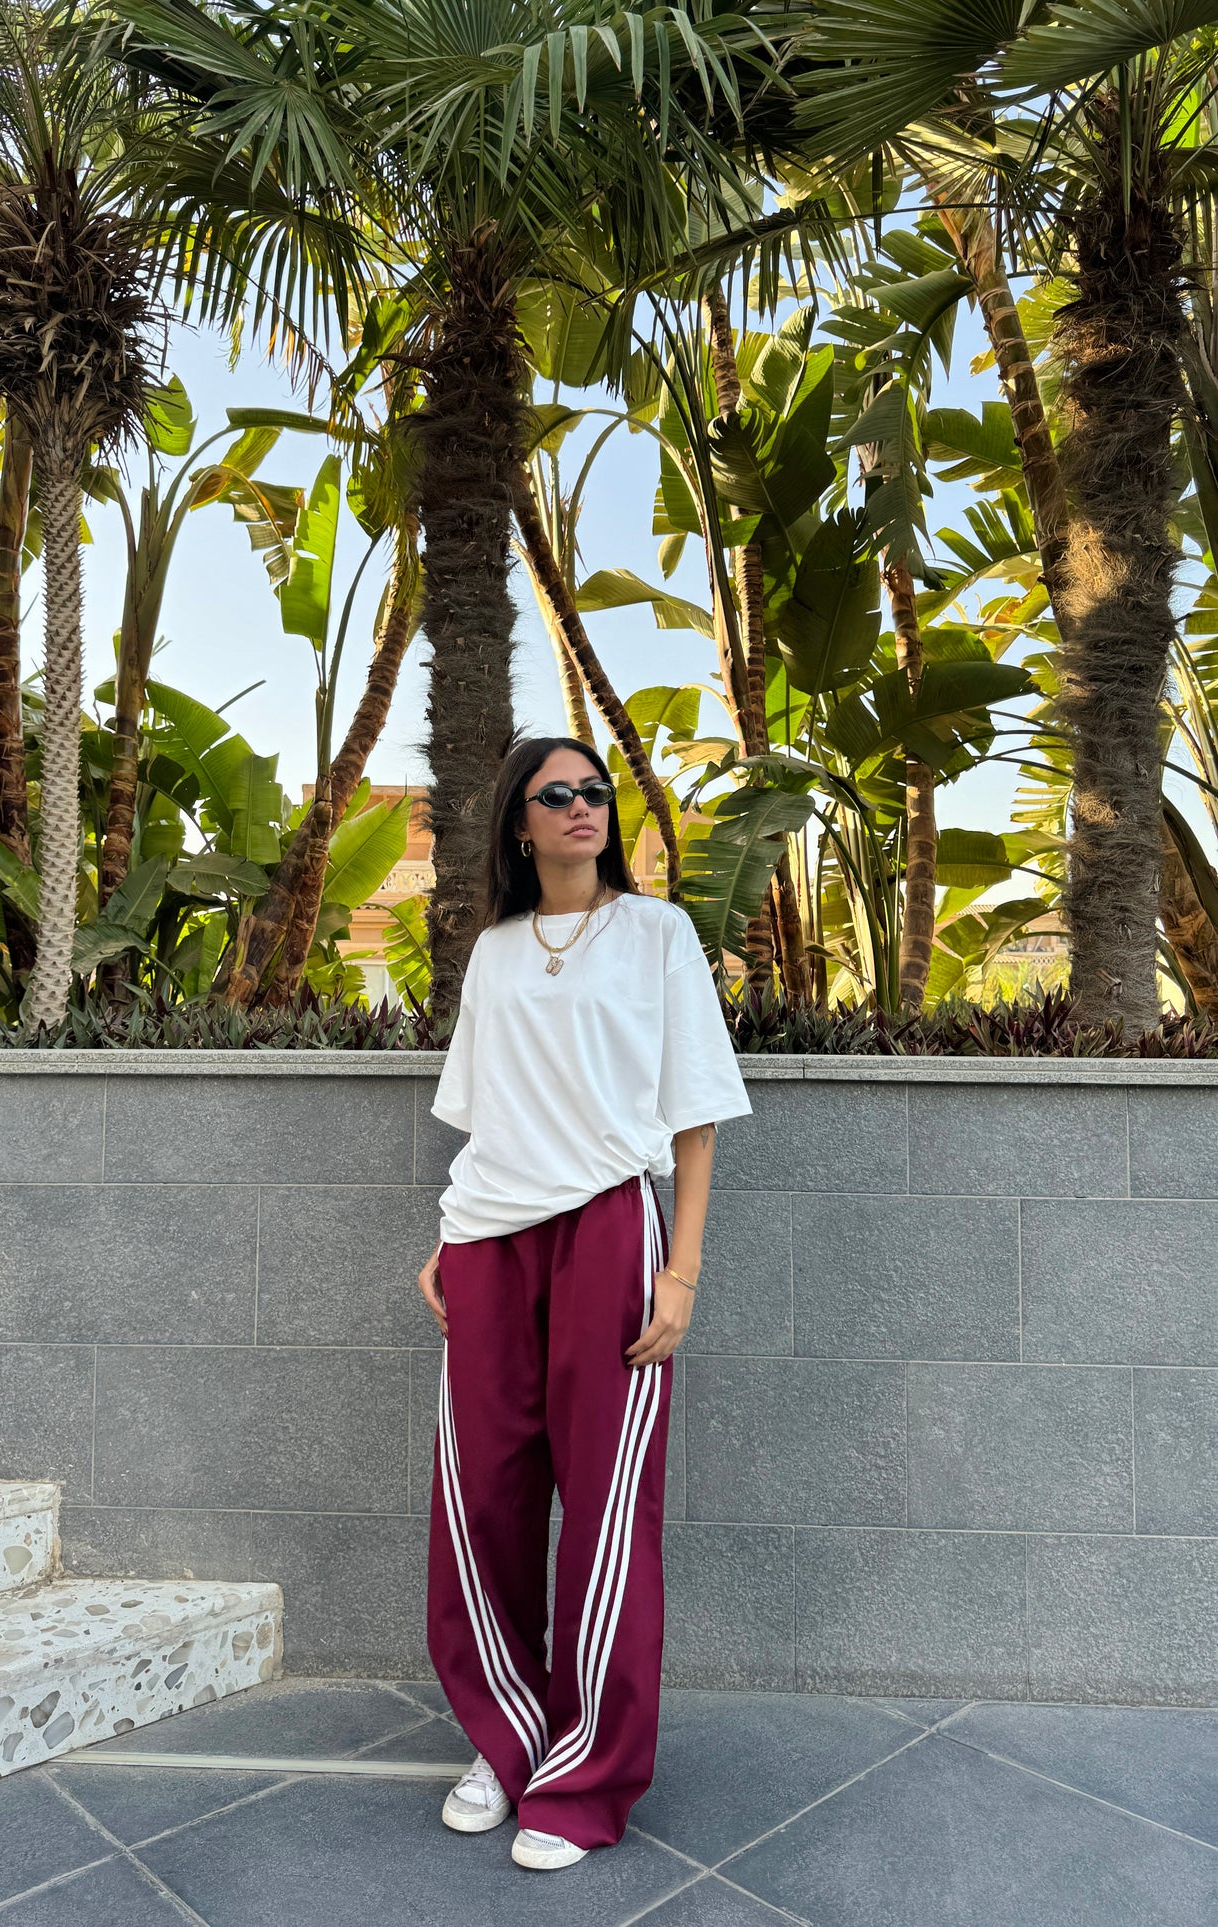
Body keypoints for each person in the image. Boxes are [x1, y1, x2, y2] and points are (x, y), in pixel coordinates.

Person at [417, 734, 751, 1872]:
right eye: (554, 794)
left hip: (612, 1230)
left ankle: (584, 1775)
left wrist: (681, 1270)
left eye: (593, 791)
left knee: (607, 1507)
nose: (579, 807)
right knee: (486, 1498)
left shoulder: (657, 935)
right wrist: (445, 1236)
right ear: (517, 820)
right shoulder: (495, 953)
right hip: (485, 1241)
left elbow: (695, 1112)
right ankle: (507, 1740)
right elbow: (488, 1115)